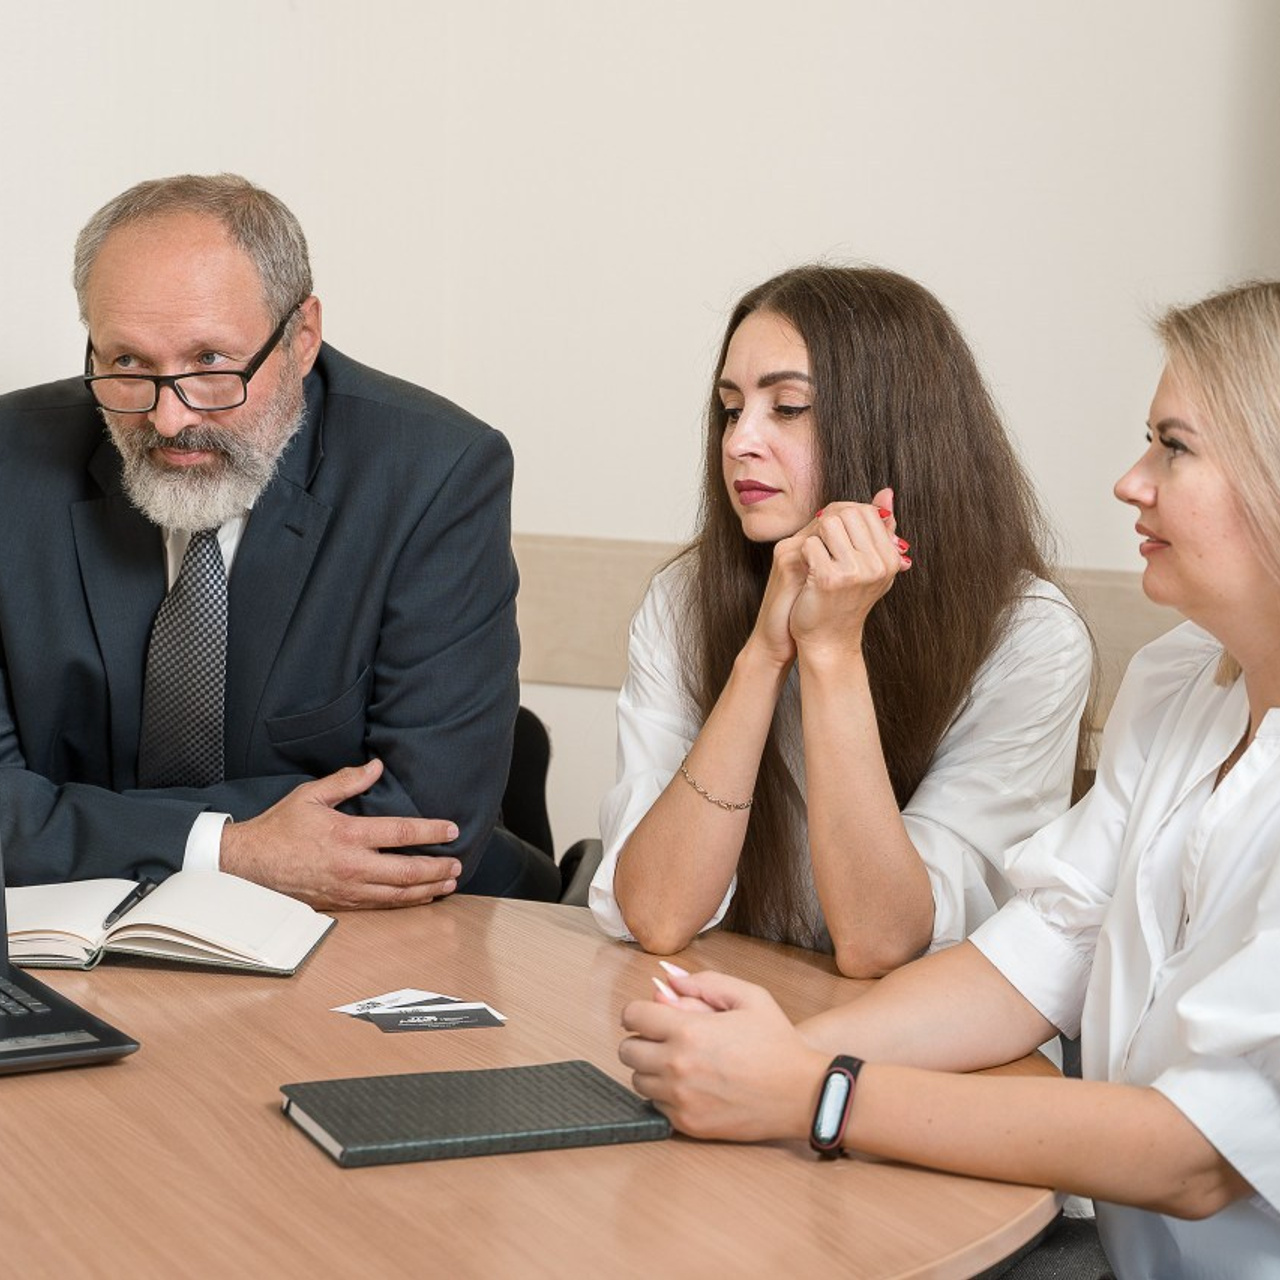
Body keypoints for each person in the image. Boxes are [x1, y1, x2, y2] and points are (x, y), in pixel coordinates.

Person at [619, 280, 1280, 1278]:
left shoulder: (1029, 635)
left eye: (1171, 446)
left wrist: (812, 1088)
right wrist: (758, 1051)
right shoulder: (1179, 680)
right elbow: (1037, 953)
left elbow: (1193, 1157)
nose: (1129, 481)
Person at [0, 173, 560, 905]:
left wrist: (80, 818)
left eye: (209, 362)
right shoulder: (12, 461)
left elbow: (424, 821)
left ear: (301, 338)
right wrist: (227, 849)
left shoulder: (433, 473)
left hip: (400, 934)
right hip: (95, 937)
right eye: (128, 363)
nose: (170, 420)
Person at [590, 266, 1091, 976]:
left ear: (890, 426)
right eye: (732, 409)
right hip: (736, 1006)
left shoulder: (1030, 637)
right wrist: (763, 656)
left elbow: (882, 942)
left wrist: (831, 652)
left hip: (916, 1050)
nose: (739, 442)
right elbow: (660, 914)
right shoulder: (682, 599)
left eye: (787, 407)